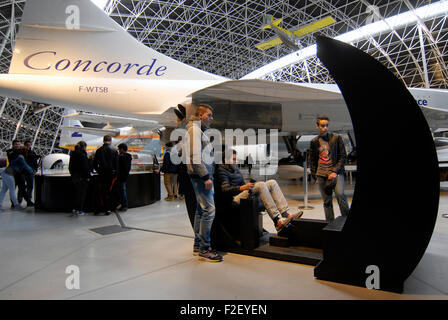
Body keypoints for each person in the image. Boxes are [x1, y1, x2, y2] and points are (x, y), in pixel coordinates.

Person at [217, 150, 303, 232]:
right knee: (261, 185)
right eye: (234, 159)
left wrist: (248, 186)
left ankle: (286, 214)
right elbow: (225, 190)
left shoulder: (235, 169)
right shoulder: (222, 171)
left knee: (272, 182)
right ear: (226, 160)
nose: (236, 161)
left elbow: (242, 184)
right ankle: (277, 220)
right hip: (233, 198)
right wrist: (243, 188)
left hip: (241, 193)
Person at [185, 104, 222, 262]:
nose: (211, 118)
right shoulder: (194, 130)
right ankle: (205, 249)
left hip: (199, 175)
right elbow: (195, 156)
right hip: (200, 177)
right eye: (209, 115)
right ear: (200, 116)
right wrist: (206, 177)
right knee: (209, 211)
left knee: (201, 211)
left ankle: (197, 245)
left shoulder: (196, 129)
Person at [310, 116, 350, 222]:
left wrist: (334, 171)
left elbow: (343, 156)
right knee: (327, 201)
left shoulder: (336, 138)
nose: (325, 128)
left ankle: (346, 220)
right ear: (317, 126)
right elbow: (313, 161)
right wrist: (315, 176)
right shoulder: (314, 141)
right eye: (322, 126)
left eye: (326, 125)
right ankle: (330, 223)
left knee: (340, 195)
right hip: (321, 174)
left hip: (336, 173)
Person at [93, 135, 119, 215]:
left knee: (100, 191)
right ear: (110, 141)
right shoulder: (114, 151)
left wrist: (98, 170)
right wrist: (115, 174)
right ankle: (107, 209)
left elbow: (94, 164)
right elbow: (116, 165)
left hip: (101, 174)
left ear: (103, 141)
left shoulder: (99, 150)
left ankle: (99, 208)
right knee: (109, 191)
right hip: (111, 174)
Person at [69, 141, 91, 216]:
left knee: (76, 194)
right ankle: (80, 210)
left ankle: (75, 209)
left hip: (75, 177)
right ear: (84, 147)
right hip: (82, 178)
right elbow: (85, 167)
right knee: (81, 194)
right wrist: (87, 176)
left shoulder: (73, 154)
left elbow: (70, 167)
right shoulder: (83, 155)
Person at [6, 140, 27, 207]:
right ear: (13, 145)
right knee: (12, 188)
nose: (17, 145)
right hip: (13, 173)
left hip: (21, 173)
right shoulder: (9, 151)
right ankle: (13, 202)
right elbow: (12, 157)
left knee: (22, 187)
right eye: (16, 144)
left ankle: (19, 201)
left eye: (18, 144)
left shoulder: (22, 151)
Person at [23, 140, 40, 206]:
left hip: (30, 171)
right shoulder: (23, 153)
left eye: (29, 145)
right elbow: (31, 157)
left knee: (29, 186)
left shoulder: (32, 152)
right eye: (27, 145)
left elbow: (35, 161)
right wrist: (39, 156)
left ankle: (28, 200)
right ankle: (20, 199)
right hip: (24, 171)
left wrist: (35, 170)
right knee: (23, 186)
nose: (29, 146)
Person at [117, 143, 132, 212]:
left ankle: (124, 205)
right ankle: (123, 205)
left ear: (122, 149)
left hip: (120, 177)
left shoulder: (121, 157)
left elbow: (119, 167)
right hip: (125, 176)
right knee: (122, 190)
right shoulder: (129, 156)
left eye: (119, 149)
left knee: (122, 191)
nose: (119, 150)